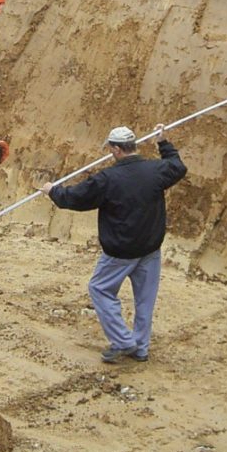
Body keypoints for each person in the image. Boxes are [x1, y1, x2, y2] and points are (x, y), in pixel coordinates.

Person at [41, 124, 187, 364]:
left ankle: (123, 341)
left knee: (99, 289)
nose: (109, 152)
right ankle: (140, 348)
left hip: (121, 251)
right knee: (145, 300)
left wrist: (52, 191)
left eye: (110, 149)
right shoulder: (155, 170)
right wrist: (163, 142)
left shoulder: (107, 179)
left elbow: (75, 198)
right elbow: (177, 167)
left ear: (118, 150)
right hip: (150, 248)